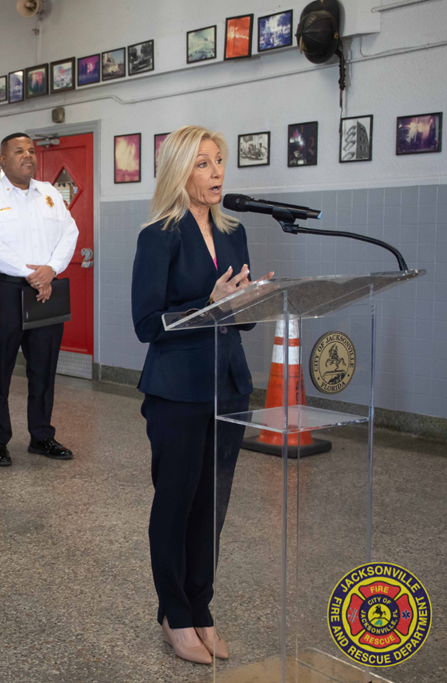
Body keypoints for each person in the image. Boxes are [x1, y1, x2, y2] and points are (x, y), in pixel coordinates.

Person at [131, 126, 274, 664]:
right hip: (177, 390)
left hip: (229, 384)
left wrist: (253, 301)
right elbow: (147, 323)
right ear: (179, 172)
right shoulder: (159, 235)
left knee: (212, 506)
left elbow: (241, 320)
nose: (216, 173)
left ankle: (201, 606)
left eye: (219, 162)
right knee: (177, 502)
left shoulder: (234, 232)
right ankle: (174, 612)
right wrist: (206, 306)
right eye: (203, 164)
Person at [0, 133, 79, 467]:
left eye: (31, 150)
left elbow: (69, 232)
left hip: (46, 291)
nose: (27, 155)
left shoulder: (49, 193)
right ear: (1, 160)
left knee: (44, 368)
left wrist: (51, 269)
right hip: (5, 291)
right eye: (18, 151)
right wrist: (32, 274)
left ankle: (42, 435)